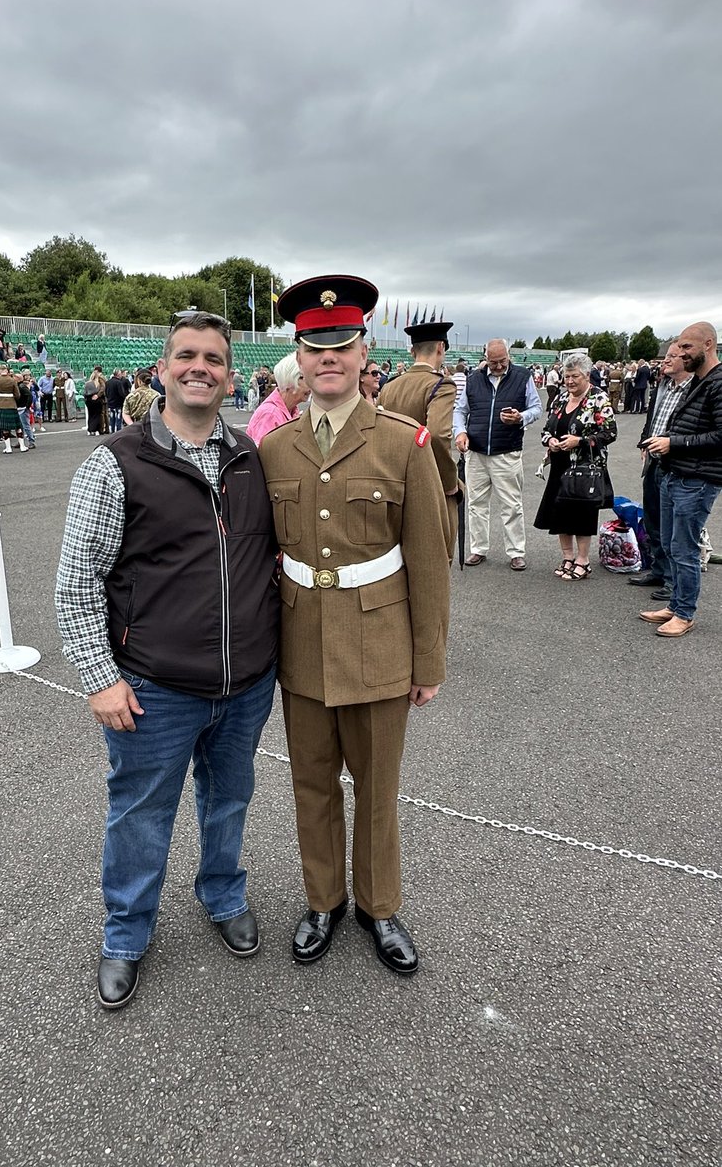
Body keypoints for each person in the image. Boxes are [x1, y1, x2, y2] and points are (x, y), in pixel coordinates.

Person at [55, 310, 279, 1011]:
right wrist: (100, 679)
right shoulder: (114, 463)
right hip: (153, 686)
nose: (200, 368)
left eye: (214, 358)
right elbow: (76, 581)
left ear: (229, 373)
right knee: (141, 814)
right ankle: (125, 933)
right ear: (162, 369)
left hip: (245, 685)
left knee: (230, 798)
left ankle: (221, 894)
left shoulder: (250, 458)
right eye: (187, 355)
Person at [259, 275, 451, 976]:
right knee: (311, 784)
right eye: (315, 345)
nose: (328, 357)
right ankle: (323, 900)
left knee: (376, 790)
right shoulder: (274, 450)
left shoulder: (404, 443)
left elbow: (429, 559)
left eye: (342, 343)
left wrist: (428, 662)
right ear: (299, 357)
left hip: (379, 641)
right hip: (301, 640)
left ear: (364, 349)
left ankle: (378, 906)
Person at [639, 321, 722, 637]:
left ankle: (685, 613)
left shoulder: (717, 382)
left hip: (697, 479)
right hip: (676, 473)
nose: (681, 353)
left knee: (684, 548)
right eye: (680, 347)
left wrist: (674, 443)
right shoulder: (701, 381)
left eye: (688, 347)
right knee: (673, 545)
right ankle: (675, 605)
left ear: (708, 344)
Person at [454, 338, 542, 570]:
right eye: (493, 362)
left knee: (511, 505)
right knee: (476, 504)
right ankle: (478, 549)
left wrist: (521, 417)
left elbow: (536, 408)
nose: (499, 366)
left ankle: (516, 552)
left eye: (502, 361)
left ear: (508, 356)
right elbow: (460, 411)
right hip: (476, 452)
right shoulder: (473, 380)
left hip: (507, 452)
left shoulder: (523, 377)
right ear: (486, 358)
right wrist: (460, 432)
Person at [378, 316, 461, 557]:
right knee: (434, 557)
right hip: (428, 480)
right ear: (441, 347)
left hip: (391, 478)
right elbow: (436, 435)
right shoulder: (441, 385)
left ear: (413, 351)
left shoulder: (390, 386)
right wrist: (448, 483)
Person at [533, 355, 617, 579]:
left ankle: (583, 560)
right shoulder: (561, 398)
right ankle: (568, 557)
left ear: (587, 376)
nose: (569, 381)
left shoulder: (598, 398)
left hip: (584, 467)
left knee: (581, 514)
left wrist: (579, 441)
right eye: (566, 376)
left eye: (574, 376)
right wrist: (550, 440)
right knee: (560, 512)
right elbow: (547, 429)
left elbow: (610, 433)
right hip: (560, 465)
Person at [629, 344, 690, 595]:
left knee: (672, 526)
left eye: (672, 357)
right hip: (653, 459)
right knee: (653, 518)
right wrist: (644, 440)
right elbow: (652, 419)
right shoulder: (663, 386)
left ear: (687, 360)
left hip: (675, 462)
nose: (665, 361)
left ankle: (672, 581)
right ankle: (658, 569)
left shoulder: (694, 389)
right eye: (666, 357)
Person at [245, 353, 309, 444]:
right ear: (287, 382)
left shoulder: (292, 410)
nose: (310, 383)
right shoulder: (270, 414)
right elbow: (264, 455)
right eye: (302, 378)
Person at [0, 363, 22, 453]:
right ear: (6, 370)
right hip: (12, 404)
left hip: (1, 405)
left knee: (5, 428)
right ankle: (22, 446)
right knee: (18, 426)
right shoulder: (12, 380)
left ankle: (8, 448)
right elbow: (17, 394)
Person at [105, 369, 129, 434]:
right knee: (118, 418)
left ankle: (112, 430)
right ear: (118, 374)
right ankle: (118, 431)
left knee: (112, 418)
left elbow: (106, 393)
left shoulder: (107, 382)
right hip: (118, 403)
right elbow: (121, 393)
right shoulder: (118, 383)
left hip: (110, 403)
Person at [84, 369, 104, 435]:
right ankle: (95, 429)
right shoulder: (100, 383)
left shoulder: (87, 383)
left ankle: (90, 429)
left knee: (90, 415)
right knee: (97, 415)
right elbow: (102, 390)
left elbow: (84, 393)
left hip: (89, 401)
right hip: (97, 401)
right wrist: (97, 396)